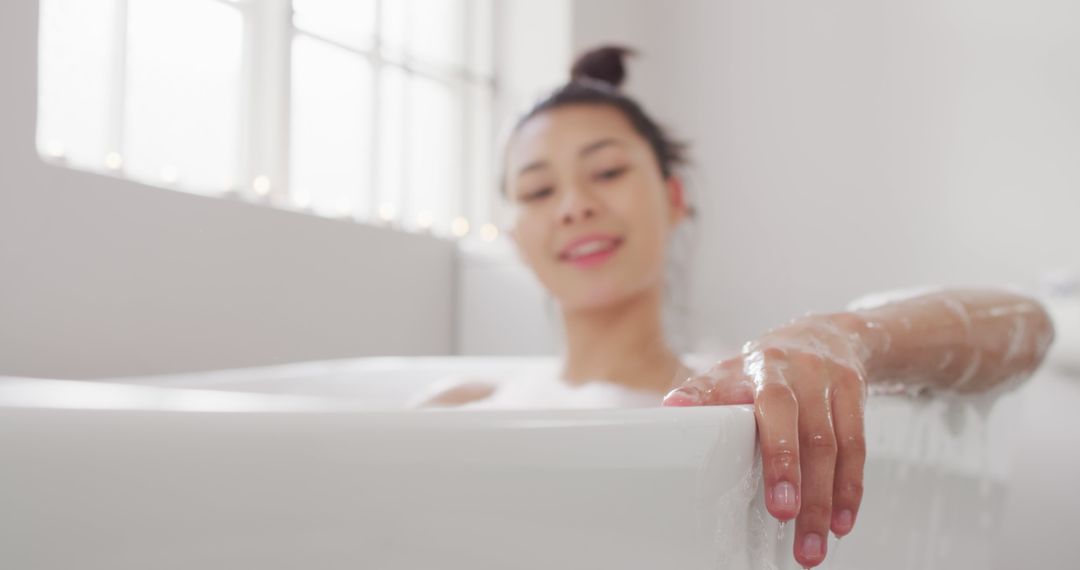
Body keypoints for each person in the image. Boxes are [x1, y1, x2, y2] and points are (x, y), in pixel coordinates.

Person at [418, 45, 1055, 568]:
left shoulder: (757, 392)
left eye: (607, 172)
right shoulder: (454, 406)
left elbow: (1028, 328)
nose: (573, 205)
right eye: (537, 189)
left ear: (672, 198)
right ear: (514, 236)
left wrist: (846, 337)